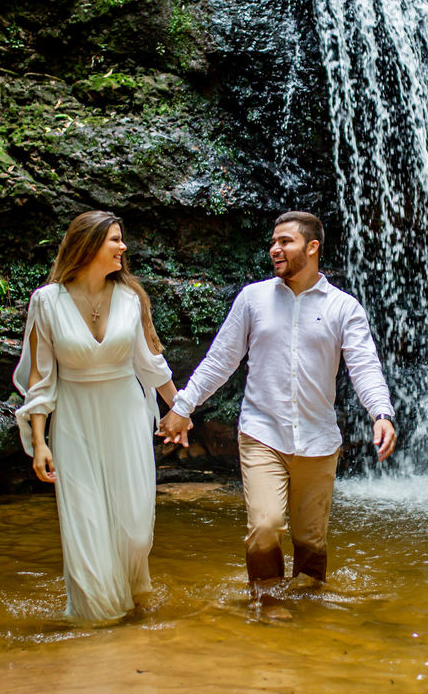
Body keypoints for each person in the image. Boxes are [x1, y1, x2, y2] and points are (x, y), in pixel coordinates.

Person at [159, 211, 396, 586]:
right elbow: (221, 360)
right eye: (273, 242)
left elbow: (364, 366)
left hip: (318, 439)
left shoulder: (343, 307)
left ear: (312, 247)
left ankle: (310, 604)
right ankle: (267, 601)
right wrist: (183, 406)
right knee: (265, 526)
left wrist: (381, 413)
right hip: (262, 433)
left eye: (285, 241)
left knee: (311, 540)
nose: (275, 249)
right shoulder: (253, 299)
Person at [12, 211, 177, 622]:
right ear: (88, 244)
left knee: (135, 533)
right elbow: (40, 378)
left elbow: (150, 365)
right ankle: (96, 626)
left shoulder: (130, 298)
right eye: (115, 240)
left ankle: (132, 603)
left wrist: (181, 409)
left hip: (126, 419)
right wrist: (39, 442)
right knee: (86, 528)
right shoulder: (46, 301)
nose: (123, 247)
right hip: (74, 422)